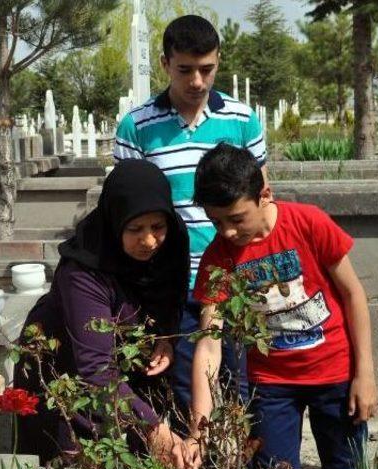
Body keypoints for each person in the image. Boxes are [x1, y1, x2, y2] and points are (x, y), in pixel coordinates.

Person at [187, 143, 378, 469]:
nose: (227, 232)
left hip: (335, 374)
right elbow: (208, 344)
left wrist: (366, 374)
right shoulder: (217, 260)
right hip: (272, 384)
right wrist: (197, 430)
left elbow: (353, 294)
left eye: (236, 219)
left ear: (264, 195)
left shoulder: (309, 223)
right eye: (215, 222)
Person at [114, 14, 267, 416]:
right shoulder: (137, 127)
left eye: (207, 69)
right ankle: (198, 464)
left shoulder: (242, 120)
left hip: (234, 279)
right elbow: (127, 207)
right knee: (188, 387)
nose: (197, 81)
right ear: (166, 64)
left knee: (240, 386)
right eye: (185, 70)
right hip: (174, 282)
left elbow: (261, 198)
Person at [14, 159, 191, 469]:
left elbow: (171, 295)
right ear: (114, 221)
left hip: (125, 370)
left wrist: (165, 336)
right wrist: (153, 427)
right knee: (79, 465)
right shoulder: (83, 271)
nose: (149, 240)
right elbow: (95, 370)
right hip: (70, 372)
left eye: (157, 227)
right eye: (135, 229)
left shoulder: (173, 241)